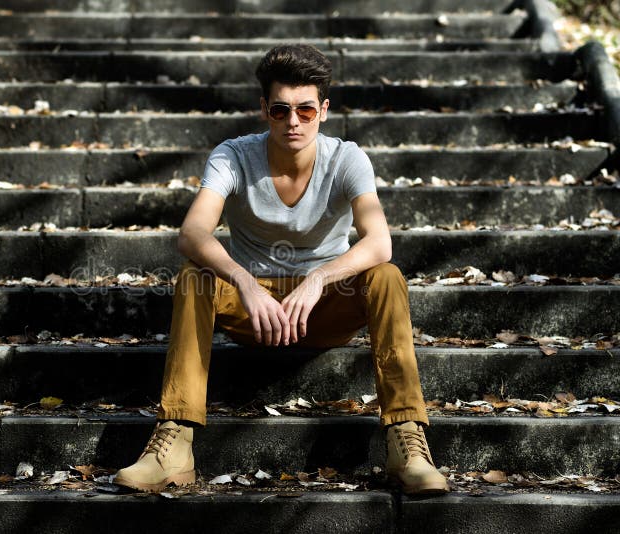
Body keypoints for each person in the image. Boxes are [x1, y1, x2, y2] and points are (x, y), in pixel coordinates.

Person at [113, 43, 449, 495]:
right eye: (280, 110)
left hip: (324, 307)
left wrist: (317, 279)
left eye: (306, 111)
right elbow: (193, 233)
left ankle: (406, 442)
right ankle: (174, 444)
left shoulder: (347, 158)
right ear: (263, 110)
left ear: (323, 110)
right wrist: (247, 284)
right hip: (254, 313)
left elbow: (379, 242)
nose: (293, 122)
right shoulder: (233, 156)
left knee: (387, 277)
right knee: (195, 276)